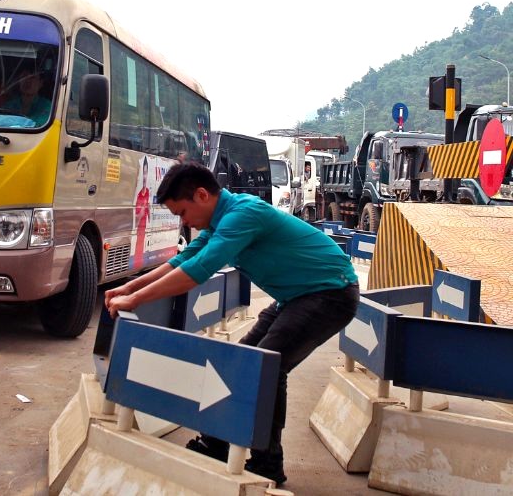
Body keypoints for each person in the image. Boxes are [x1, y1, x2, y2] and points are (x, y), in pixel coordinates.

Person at [105, 162, 359, 486]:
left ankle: (268, 463)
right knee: (241, 362)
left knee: (267, 367)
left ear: (201, 195)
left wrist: (136, 301)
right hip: (296, 297)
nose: (184, 222)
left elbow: (198, 270)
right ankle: (216, 443)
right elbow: (182, 260)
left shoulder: (244, 214)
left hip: (330, 293)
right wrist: (128, 288)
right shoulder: (220, 221)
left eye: (182, 213)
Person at [133, 157, 151, 270]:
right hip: (139, 228)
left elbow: (149, 218)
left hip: (145, 228)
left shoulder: (148, 192)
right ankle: (137, 264)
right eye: (143, 173)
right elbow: (135, 221)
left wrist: (148, 210)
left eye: (146, 172)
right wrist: (142, 212)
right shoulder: (139, 194)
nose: (145, 176)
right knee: (138, 247)